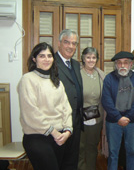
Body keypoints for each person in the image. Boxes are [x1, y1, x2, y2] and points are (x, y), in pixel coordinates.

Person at [17, 42, 73, 170]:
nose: (47, 59)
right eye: (42, 56)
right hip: (38, 137)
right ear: (34, 59)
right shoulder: (27, 79)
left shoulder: (57, 81)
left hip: (60, 137)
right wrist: (53, 132)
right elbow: (31, 112)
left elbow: (66, 108)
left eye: (49, 56)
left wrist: (68, 130)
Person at [101, 51, 134, 170]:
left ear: (131, 64)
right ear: (116, 65)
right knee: (113, 153)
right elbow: (106, 100)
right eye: (119, 63)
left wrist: (128, 117)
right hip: (113, 122)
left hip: (133, 121)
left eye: (126, 63)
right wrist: (118, 117)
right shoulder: (109, 78)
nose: (122, 66)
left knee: (132, 152)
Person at [55, 29, 83, 170]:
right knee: (59, 159)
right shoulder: (51, 63)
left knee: (72, 158)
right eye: (67, 42)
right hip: (59, 121)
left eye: (74, 43)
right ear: (59, 43)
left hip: (75, 120)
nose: (71, 46)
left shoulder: (76, 64)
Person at [78, 47, 105, 170]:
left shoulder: (100, 74)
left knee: (92, 146)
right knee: (80, 147)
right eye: (88, 57)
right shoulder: (77, 74)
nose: (91, 60)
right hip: (80, 118)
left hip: (96, 118)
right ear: (83, 58)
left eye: (94, 57)